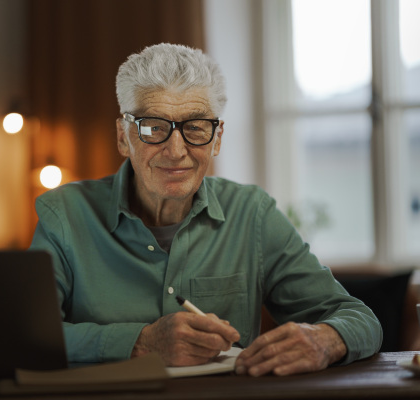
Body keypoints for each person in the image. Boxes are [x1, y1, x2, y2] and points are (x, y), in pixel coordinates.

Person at [29, 43, 382, 376]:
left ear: (217, 139)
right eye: (154, 128)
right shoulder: (64, 215)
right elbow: (25, 338)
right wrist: (140, 343)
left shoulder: (253, 214)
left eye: (196, 128)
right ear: (123, 136)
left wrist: (326, 340)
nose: (176, 150)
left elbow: (359, 319)